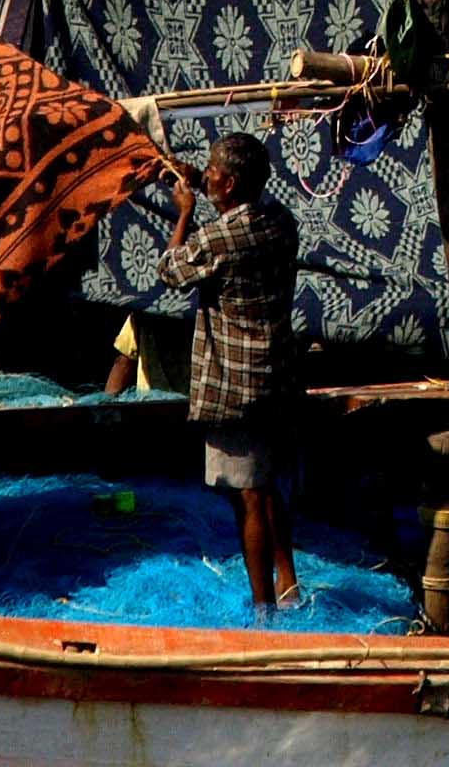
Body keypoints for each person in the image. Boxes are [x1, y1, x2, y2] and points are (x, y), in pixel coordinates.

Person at [157, 132, 303, 612]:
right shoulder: (281, 222)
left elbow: (172, 269)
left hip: (234, 386)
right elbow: (239, 207)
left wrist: (184, 209)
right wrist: (202, 182)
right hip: (276, 375)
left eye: (214, 169)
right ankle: (288, 583)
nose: (208, 173)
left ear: (233, 182)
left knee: (249, 499)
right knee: (265, 483)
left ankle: (264, 611)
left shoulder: (219, 237)